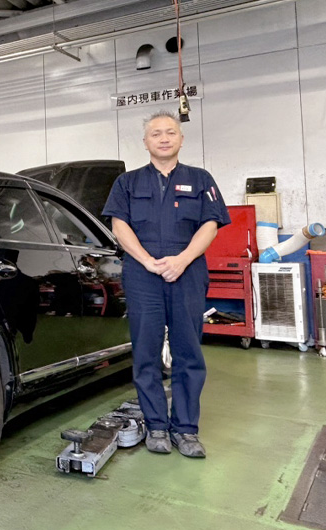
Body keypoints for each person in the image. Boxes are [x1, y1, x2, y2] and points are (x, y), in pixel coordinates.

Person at [102, 111, 230, 458]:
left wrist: (183, 259)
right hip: (143, 274)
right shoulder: (126, 183)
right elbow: (119, 226)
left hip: (186, 271)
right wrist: (146, 261)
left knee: (188, 351)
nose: (163, 138)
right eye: (155, 133)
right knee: (146, 351)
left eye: (170, 132)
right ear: (145, 142)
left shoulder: (201, 179)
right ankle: (156, 425)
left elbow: (210, 225)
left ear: (181, 139)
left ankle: (186, 429)